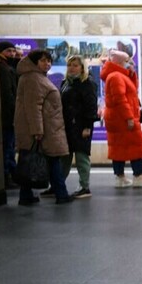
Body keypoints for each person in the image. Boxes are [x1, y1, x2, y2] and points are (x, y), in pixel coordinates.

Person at [13, 49, 74, 205]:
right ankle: (61, 194)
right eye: (43, 61)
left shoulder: (35, 77)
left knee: (31, 160)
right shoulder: (34, 79)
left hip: (45, 127)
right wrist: (37, 131)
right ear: (34, 62)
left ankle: (25, 195)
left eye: (49, 61)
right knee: (52, 161)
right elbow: (33, 107)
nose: (47, 64)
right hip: (43, 129)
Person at [101, 49, 142, 188]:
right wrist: (129, 117)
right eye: (127, 61)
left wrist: (131, 73)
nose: (130, 63)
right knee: (137, 146)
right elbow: (120, 99)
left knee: (118, 148)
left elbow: (131, 90)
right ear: (119, 62)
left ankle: (120, 177)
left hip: (118, 119)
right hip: (123, 119)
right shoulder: (116, 77)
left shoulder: (116, 75)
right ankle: (138, 175)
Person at [59, 55, 99, 198]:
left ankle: (84, 186)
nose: (72, 68)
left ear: (82, 68)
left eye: (75, 65)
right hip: (67, 125)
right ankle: (58, 185)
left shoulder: (87, 83)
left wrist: (87, 127)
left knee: (81, 157)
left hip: (82, 126)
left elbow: (91, 106)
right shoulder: (65, 83)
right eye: (70, 65)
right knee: (64, 156)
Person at [0, 41, 19, 188]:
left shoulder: (5, 66)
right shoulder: (3, 68)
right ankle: (8, 177)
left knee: (9, 147)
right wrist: (14, 116)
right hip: (8, 117)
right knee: (8, 148)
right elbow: (8, 94)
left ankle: (10, 175)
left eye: (13, 51)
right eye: (8, 51)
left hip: (7, 116)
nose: (12, 54)